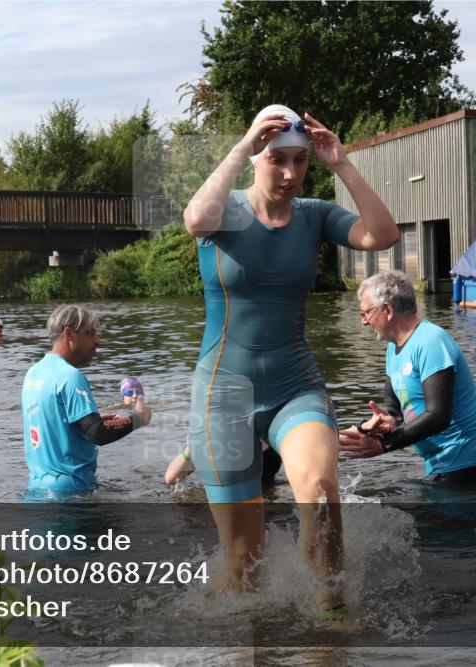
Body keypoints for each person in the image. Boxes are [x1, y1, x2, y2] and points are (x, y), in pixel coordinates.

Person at [183, 103, 398, 617]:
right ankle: (248, 641)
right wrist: (241, 144)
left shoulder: (315, 215)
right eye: (278, 159)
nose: (289, 173)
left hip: (293, 385)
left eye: (299, 162)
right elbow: (194, 220)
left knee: (321, 495)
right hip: (223, 393)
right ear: (257, 155)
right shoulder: (225, 210)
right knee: (244, 559)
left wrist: (341, 163)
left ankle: (329, 628)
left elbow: (383, 235)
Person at [338, 270, 476, 486]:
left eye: (366, 313)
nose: (364, 322)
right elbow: (395, 410)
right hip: (441, 463)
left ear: (387, 310)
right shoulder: (392, 349)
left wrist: (383, 446)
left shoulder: (431, 341)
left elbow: (438, 415)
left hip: (468, 462)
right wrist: (383, 423)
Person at [22, 304, 152, 494]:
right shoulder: (70, 376)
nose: (97, 340)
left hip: (37, 488)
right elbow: (97, 432)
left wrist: (87, 420)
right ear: (69, 334)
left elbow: (52, 423)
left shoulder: (33, 373)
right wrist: (137, 419)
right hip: (71, 492)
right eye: (90, 333)